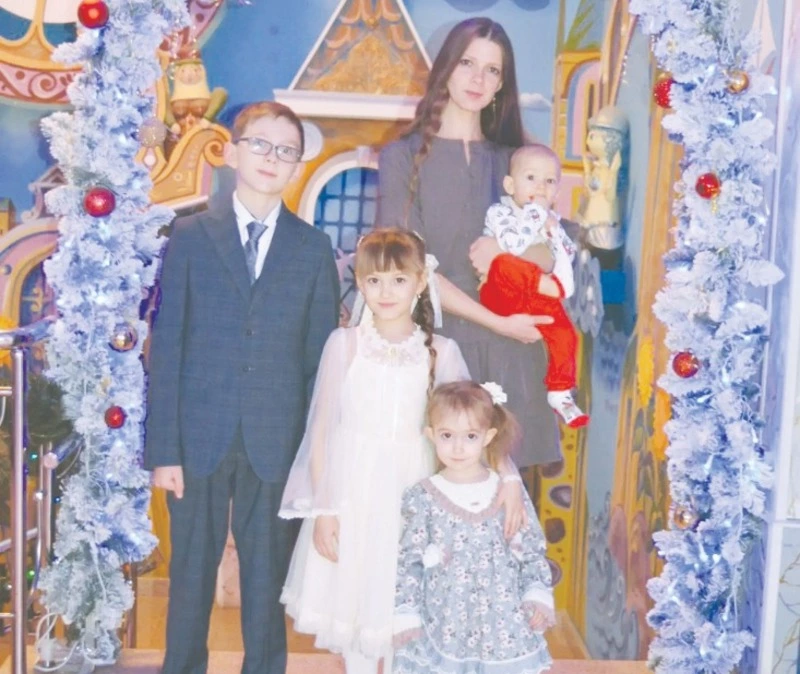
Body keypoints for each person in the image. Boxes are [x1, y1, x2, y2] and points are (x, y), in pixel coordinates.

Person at [144, 101, 340, 674]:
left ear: (297, 166)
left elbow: (320, 363)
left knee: (265, 582)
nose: (271, 158)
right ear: (231, 152)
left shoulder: (312, 248)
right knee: (190, 578)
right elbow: (168, 346)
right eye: (259, 144)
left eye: (286, 150)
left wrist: (313, 460)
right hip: (197, 439)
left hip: (277, 441)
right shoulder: (189, 235)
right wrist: (165, 452)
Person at [279, 229, 526, 674]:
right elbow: (321, 431)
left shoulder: (440, 352)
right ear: (360, 284)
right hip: (353, 494)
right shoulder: (344, 345)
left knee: (406, 613)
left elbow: (473, 423)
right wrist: (324, 509)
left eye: (398, 280)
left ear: (420, 282)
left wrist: (507, 476)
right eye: (374, 281)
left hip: (415, 496)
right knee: (356, 609)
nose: (386, 292)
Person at [377, 17, 561, 468]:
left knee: (508, 495)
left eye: (492, 70)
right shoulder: (401, 157)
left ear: (501, 85)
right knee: (433, 488)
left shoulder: (518, 162)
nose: (478, 79)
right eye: (467, 63)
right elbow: (409, 271)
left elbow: (550, 253)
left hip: (513, 351)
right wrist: (497, 322)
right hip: (437, 348)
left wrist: (511, 256)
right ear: (446, 68)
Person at [393, 380, 554, 674]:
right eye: (447, 435)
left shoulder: (506, 492)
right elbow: (408, 561)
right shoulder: (422, 496)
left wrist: (536, 594)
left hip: (503, 624)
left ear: (488, 436)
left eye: (470, 436)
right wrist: (406, 612)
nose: (458, 447)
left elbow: (531, 548)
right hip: (444, 623)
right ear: (431, 435)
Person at [480, 144, 588, 428]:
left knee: (566, 334)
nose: (540, 187)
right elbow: (513, 246)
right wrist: (536, 215)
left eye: (549, 181)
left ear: (557, 192)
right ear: (510, 185)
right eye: (531, 178)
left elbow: (567, 255)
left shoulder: (552, 221)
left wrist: (555, 233)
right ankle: (550, 288)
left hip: (537, 297)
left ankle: (560, 392)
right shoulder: (500, 213)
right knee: (504, 262)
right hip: (501, 292)